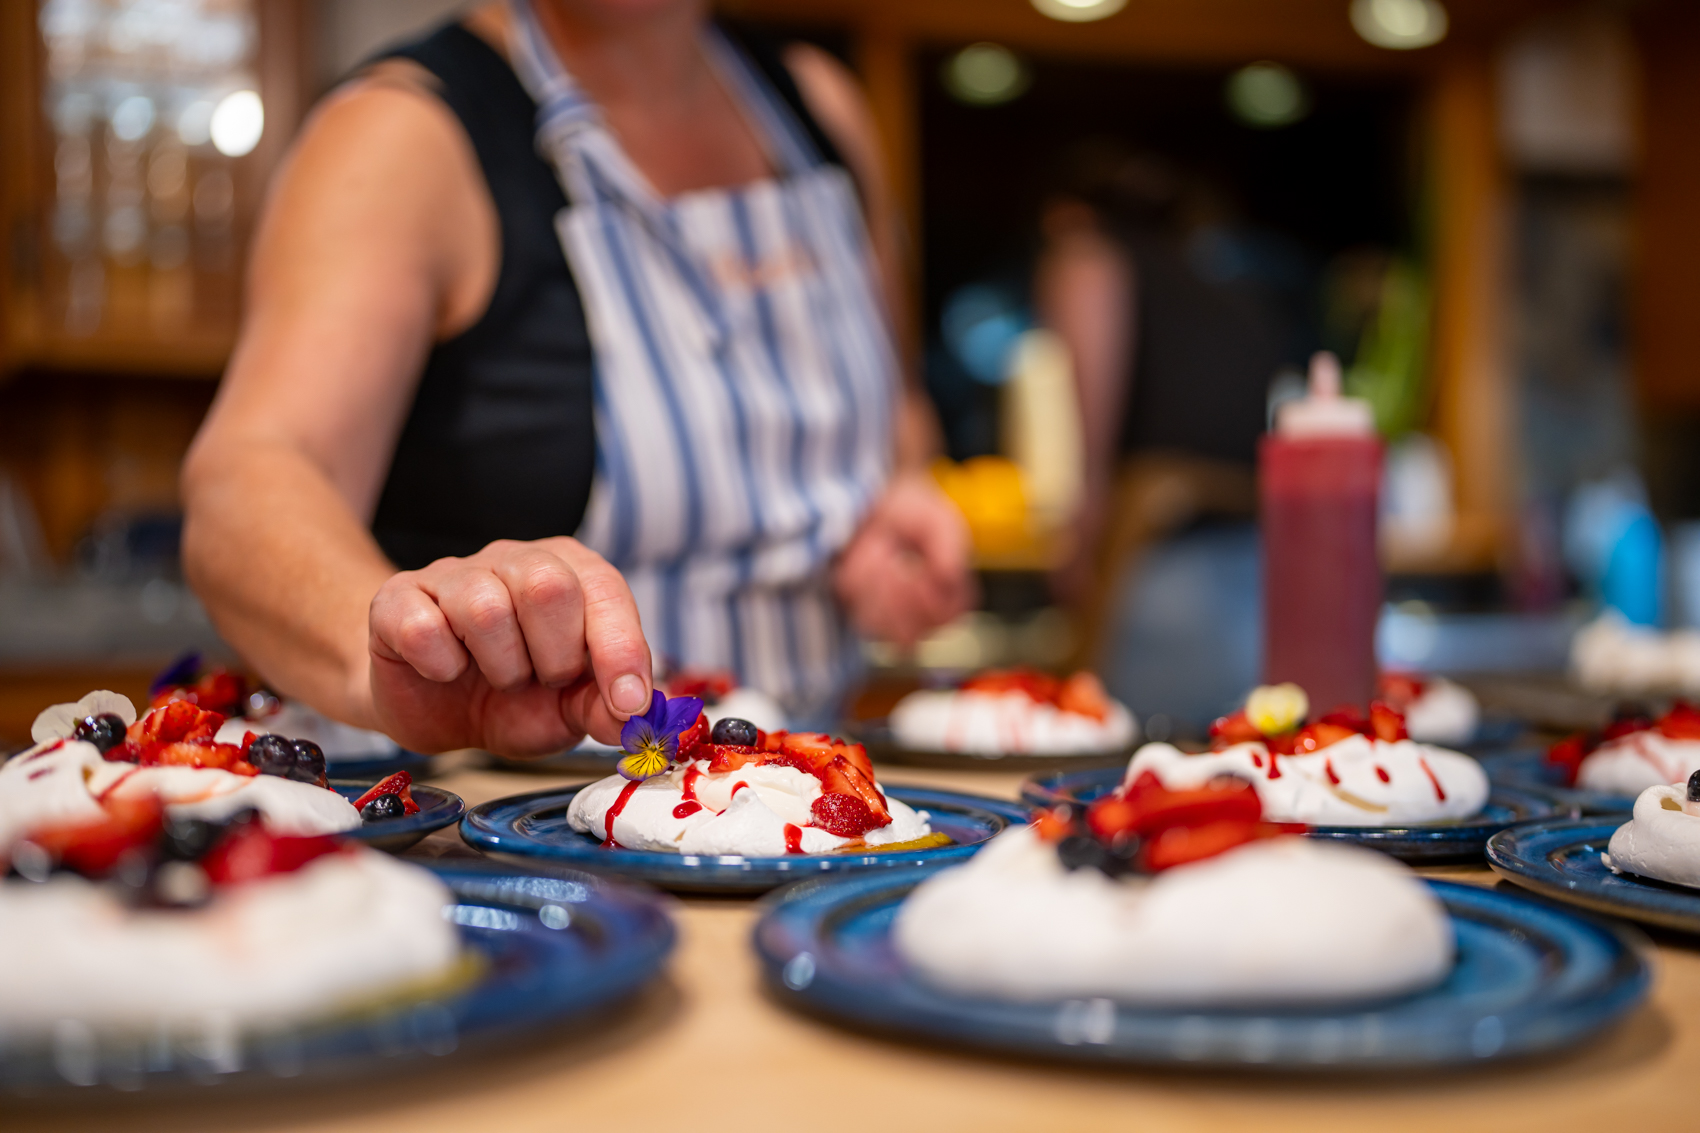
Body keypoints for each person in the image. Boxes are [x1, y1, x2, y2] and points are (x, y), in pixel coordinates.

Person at [180, 0, 972, 757]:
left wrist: (894, 495)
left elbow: (899, 402)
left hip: (812, 800)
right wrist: (387, 646)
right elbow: (248, 479)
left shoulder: (820, 107)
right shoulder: (399, 135)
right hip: (524, 825)